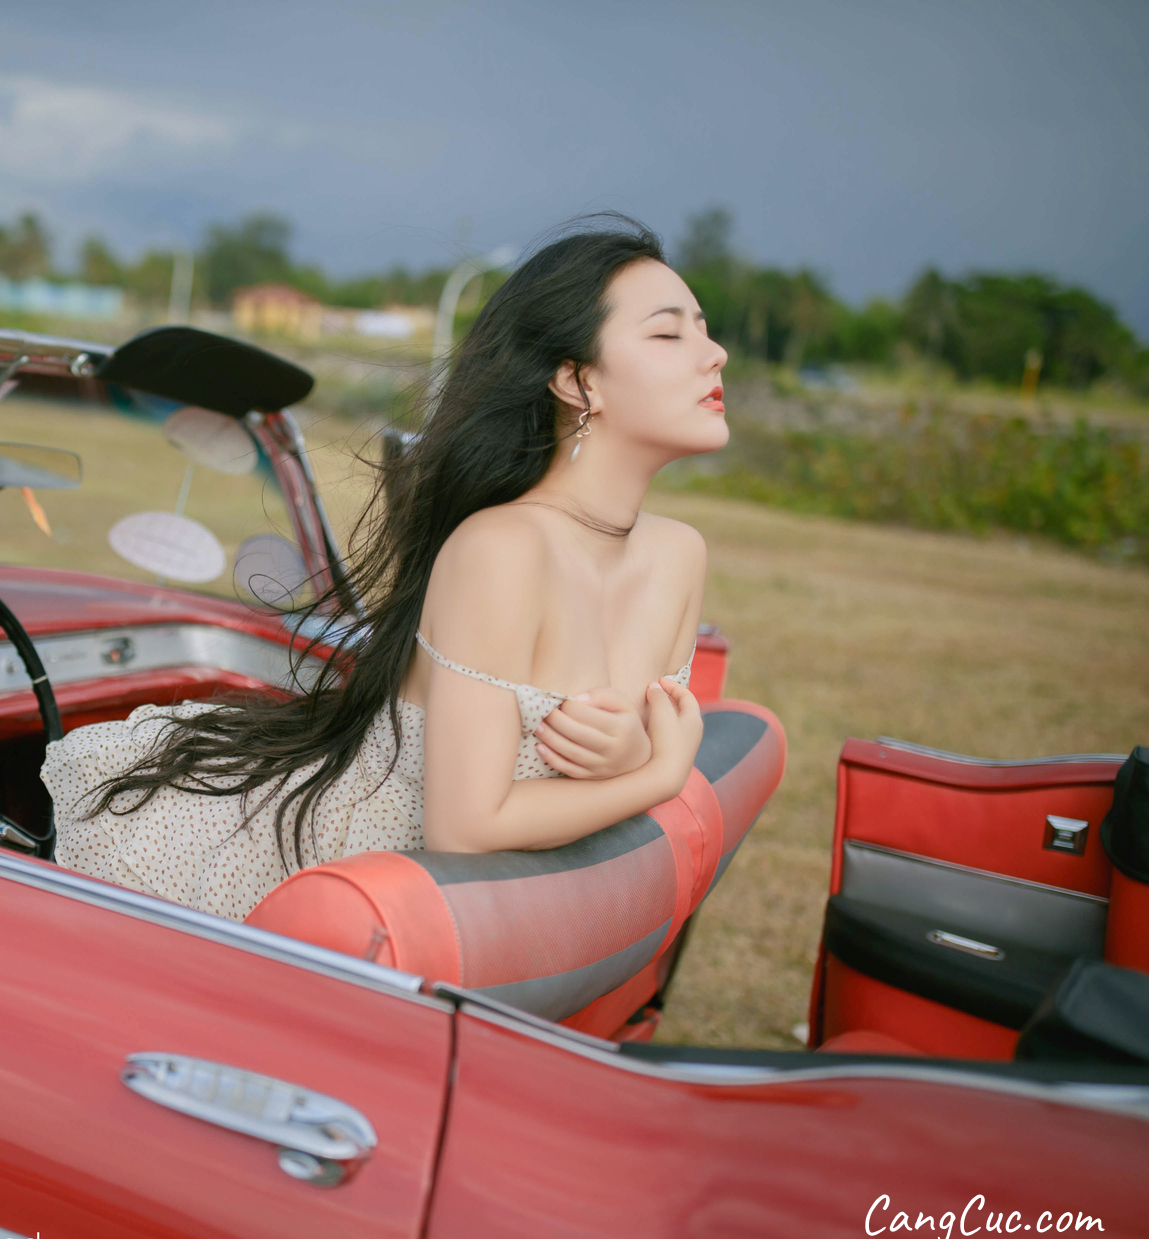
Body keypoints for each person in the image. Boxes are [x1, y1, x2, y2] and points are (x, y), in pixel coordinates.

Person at [39, 215, 729, 922]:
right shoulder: (504, 549)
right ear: (578, 382)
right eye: (669, 334)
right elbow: (466, 827)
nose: (716, 355)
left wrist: (633, 755)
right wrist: (657, 774)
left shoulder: (681, 555)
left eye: (705, 331)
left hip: (475, 920)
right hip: (328, 874)